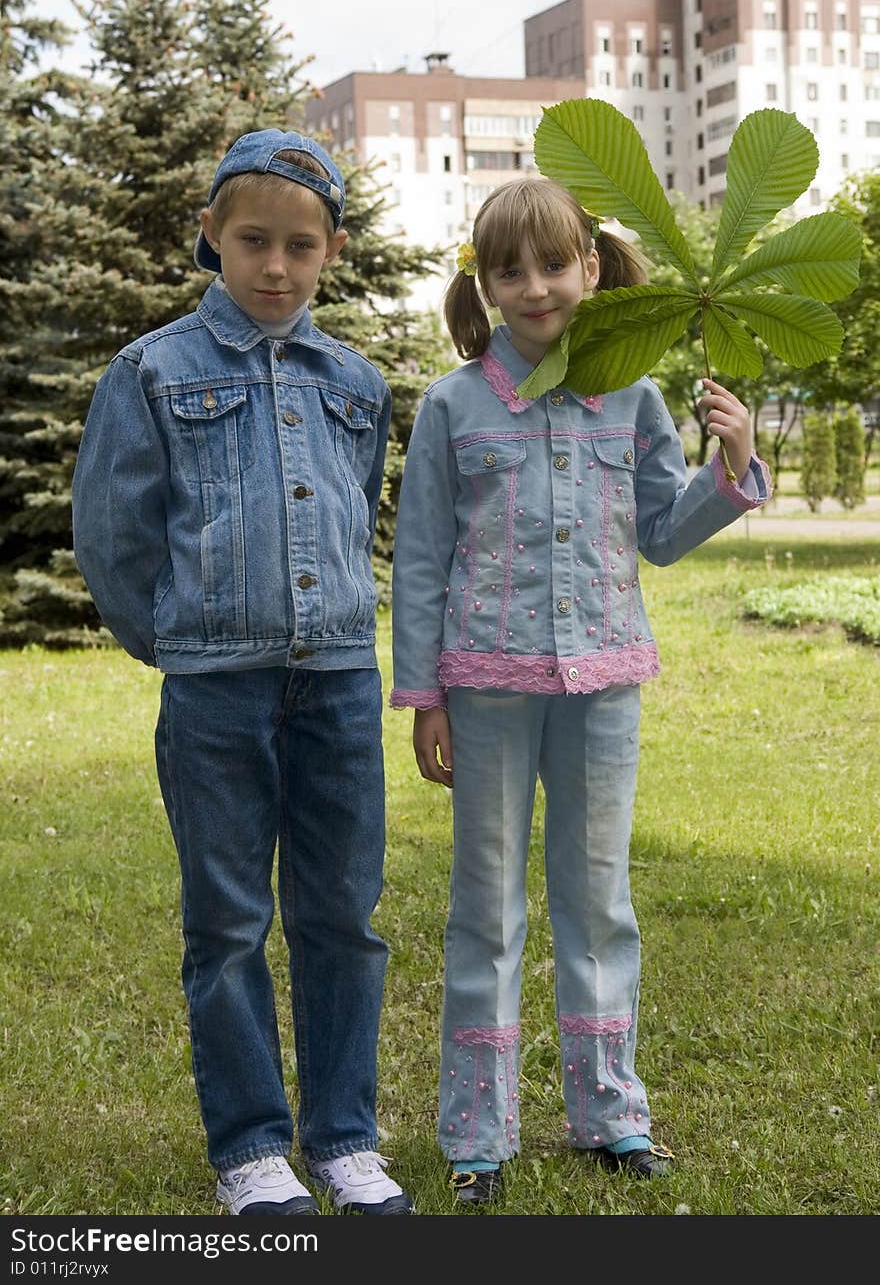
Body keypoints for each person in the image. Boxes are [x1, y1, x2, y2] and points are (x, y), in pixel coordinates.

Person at [389, 175, 771, 1206]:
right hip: (486, 687)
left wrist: (731, 463)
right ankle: (477, 1134)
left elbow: (660, 530)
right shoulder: (453, 403)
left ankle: (611, 1114)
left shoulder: (636, 397)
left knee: (598, 902)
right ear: (485, 281)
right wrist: (423, 695)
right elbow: (420, 559)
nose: (533, 287)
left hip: (603, 683)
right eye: (507, 269)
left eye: (552, 265)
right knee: (486, 907)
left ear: (591, 269)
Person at [72, 129, 413, 1217]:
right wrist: (177, 640)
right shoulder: (154, 370)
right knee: (226, 921)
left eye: (299, 246)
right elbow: (114, 537)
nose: (275, 265)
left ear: (332, 252)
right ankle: (253, 1146)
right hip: (217, 689)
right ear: (210, 237)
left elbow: (356, 504)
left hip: (342, 683)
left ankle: (346, 1137)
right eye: (253, 241)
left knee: (343, 913)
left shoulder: (354, 380)